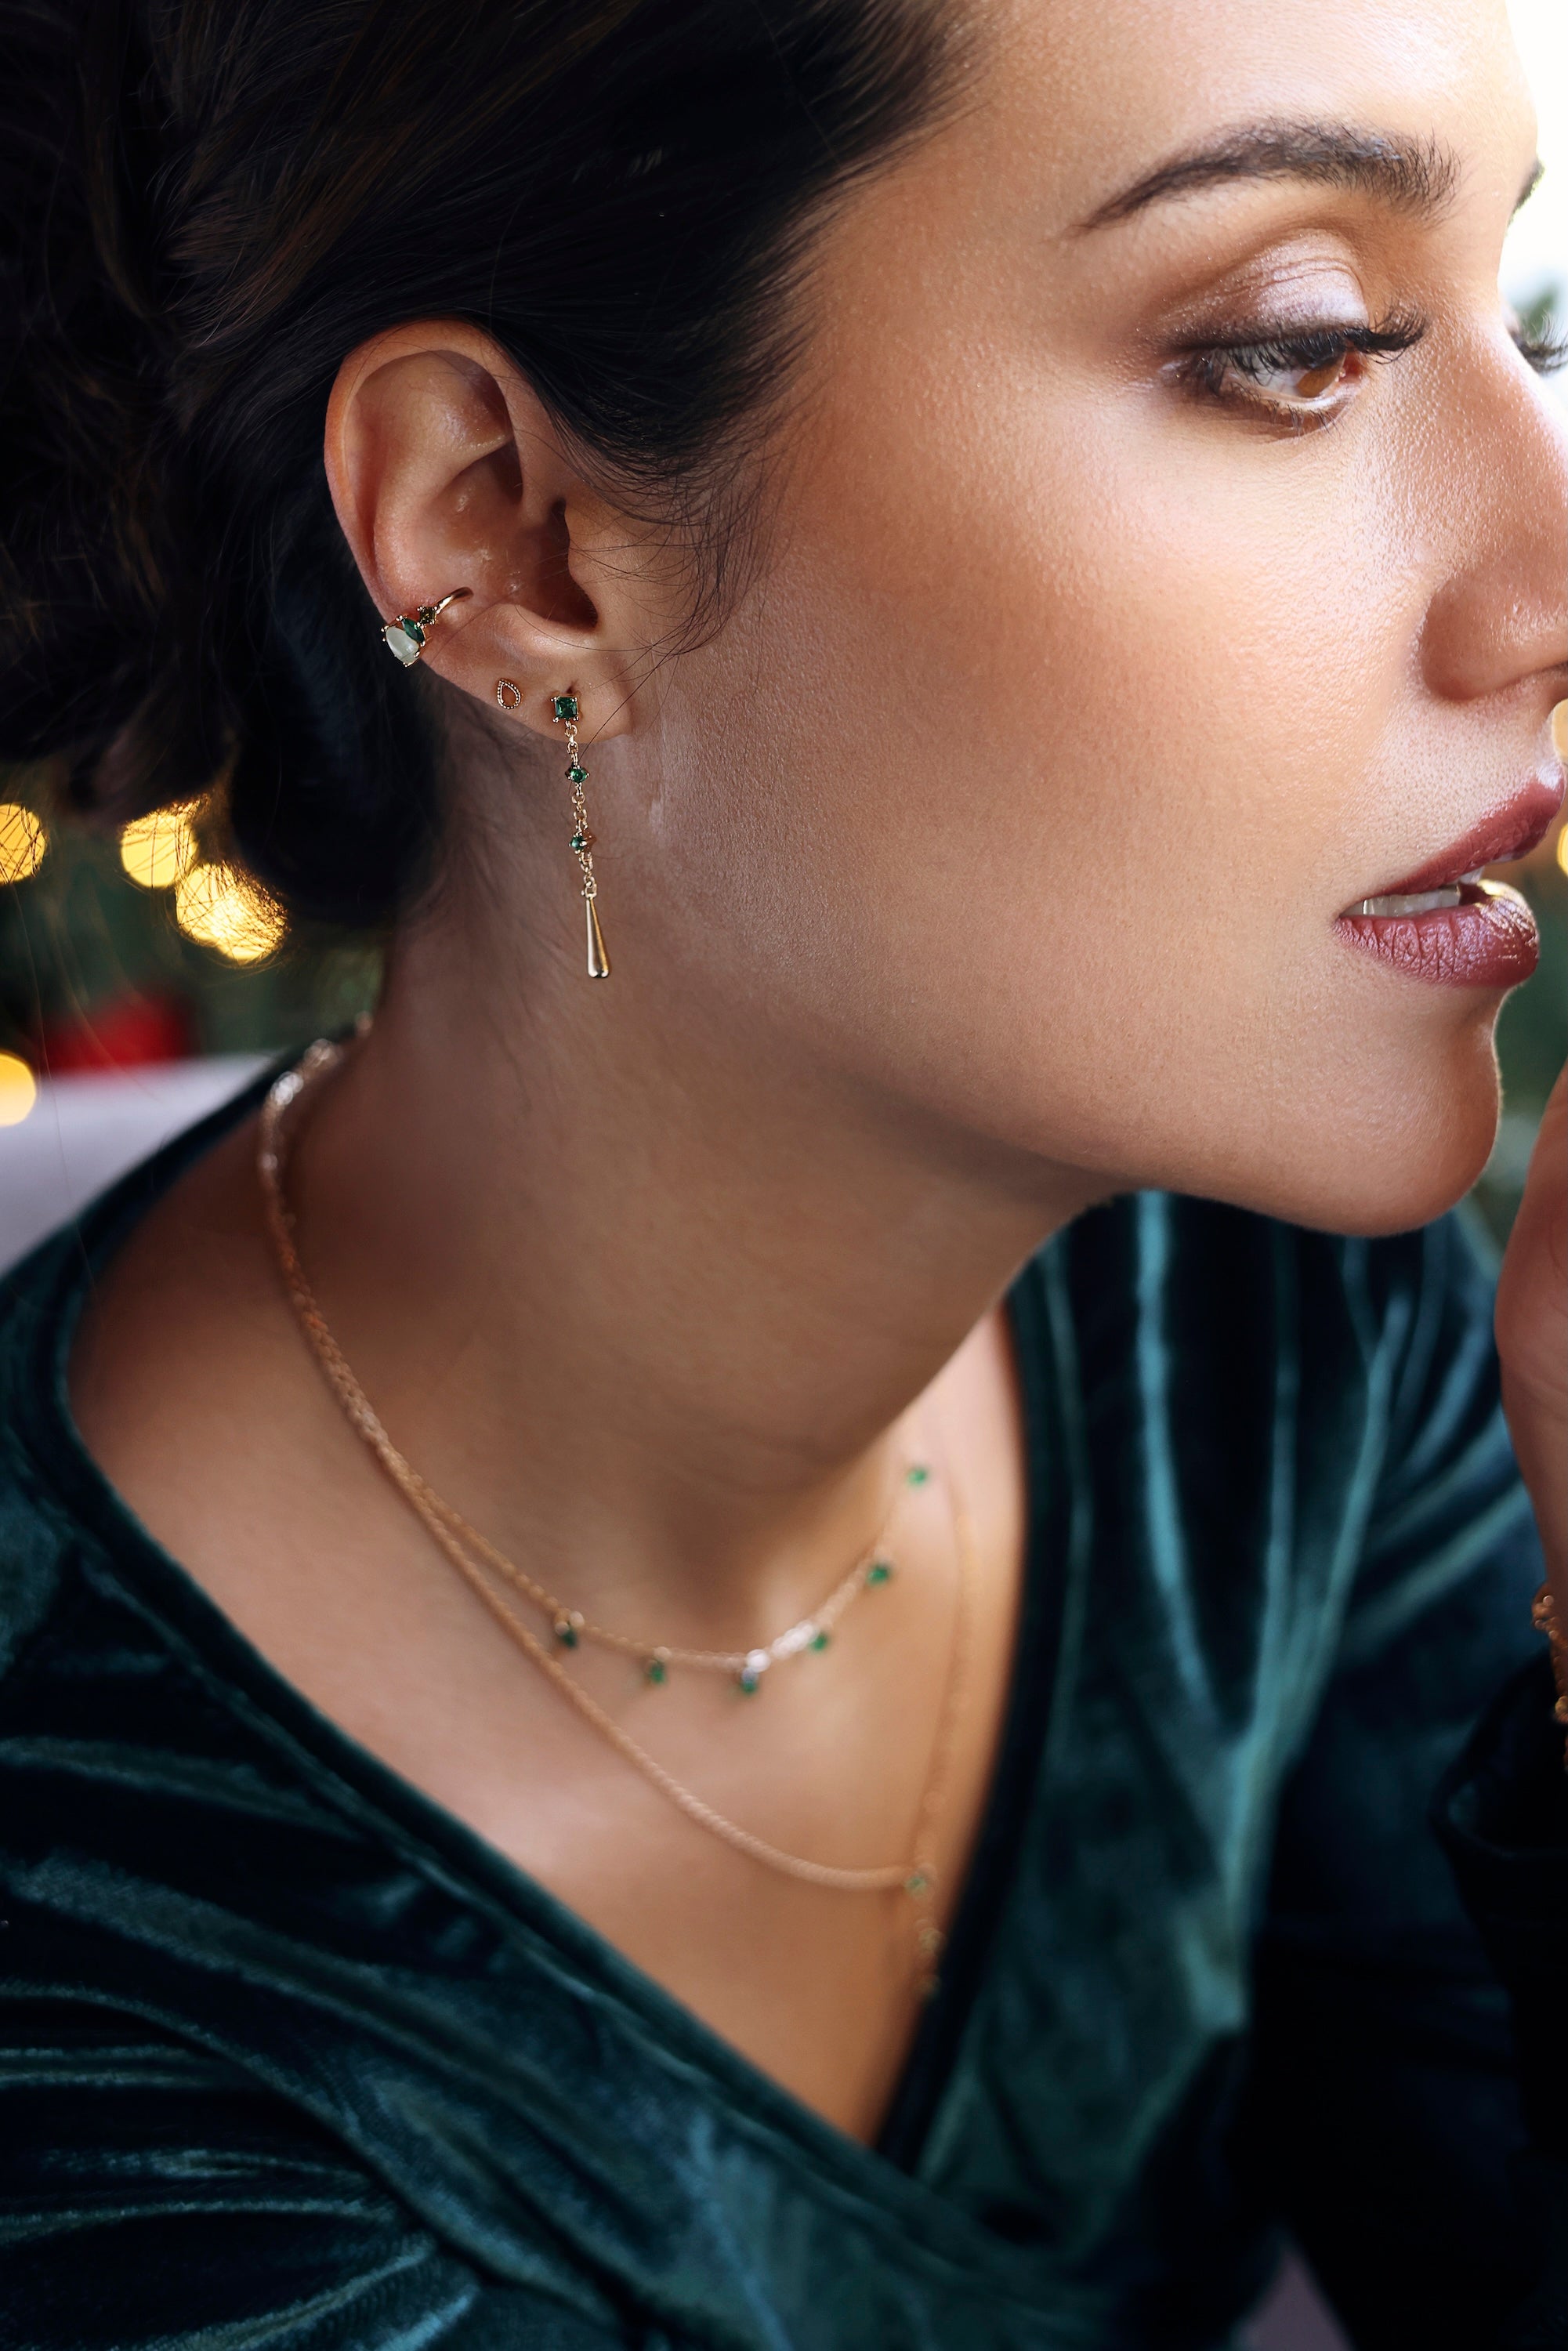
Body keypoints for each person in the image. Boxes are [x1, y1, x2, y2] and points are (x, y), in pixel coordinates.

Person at [0, 0, 1563, 2343]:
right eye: (1295, 348)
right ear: (513, 539)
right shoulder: (99, 2046)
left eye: (1526, 322)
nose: (1544, 581)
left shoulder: (1251, 1317)